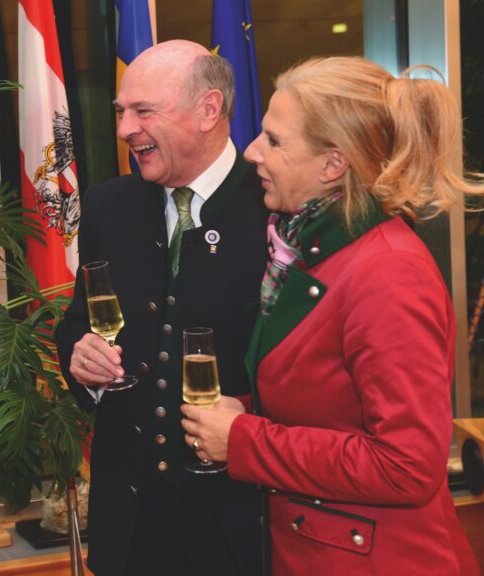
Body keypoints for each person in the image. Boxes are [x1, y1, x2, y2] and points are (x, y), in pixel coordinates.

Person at [181, 56, 482, 575]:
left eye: (274, 141)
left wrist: (245, 439)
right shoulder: (311, 253)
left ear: (332, 165)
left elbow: (407, 465)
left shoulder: (389, 273)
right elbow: (331, 401)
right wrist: (241, 410)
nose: (252, 151)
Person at [54, 40, 267, 575]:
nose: (125, 128)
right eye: (122, 112)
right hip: (128, 525)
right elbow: (80, 319)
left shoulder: (270, 209)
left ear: (208, 111)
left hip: (235, 523)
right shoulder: (108, 207)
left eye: (143, 111)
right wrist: (80, 359)